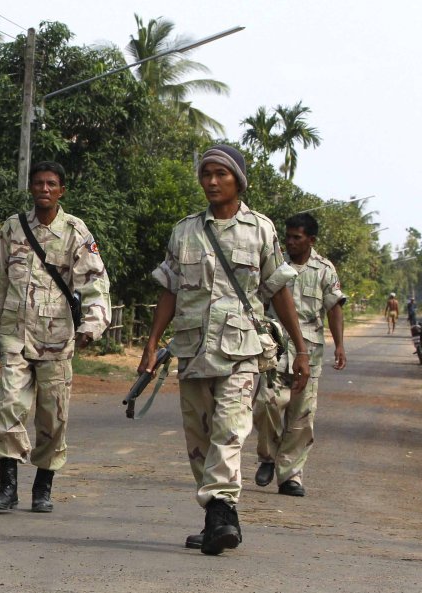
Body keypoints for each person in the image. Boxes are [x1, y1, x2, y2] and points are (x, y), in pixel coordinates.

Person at [137, 145, 310, 556]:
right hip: (192, 349)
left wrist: (300, 349)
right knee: (199, 437)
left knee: (230, 430)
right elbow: (170, 290)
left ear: (238, 180)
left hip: (241, 351)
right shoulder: (184, 231)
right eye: (206, 174)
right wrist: (150, 343)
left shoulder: (261, 229)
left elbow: (278, 290)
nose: (212, 182)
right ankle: (216, 515)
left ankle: (222, 514)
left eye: (221, 174)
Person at [0, 161, 111, 514]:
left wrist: (91, 326)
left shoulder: (76, 233)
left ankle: (43, 486)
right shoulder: (13, 228)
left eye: (51, 184)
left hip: (56, 339)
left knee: (53, 416)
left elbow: (95, 284)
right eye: (38, 183)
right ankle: (7, 486)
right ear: (31, 188)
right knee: (9, 406)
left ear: (61, 190)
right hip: (15, 335)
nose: (44, 189)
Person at [252, 212, 347, 498]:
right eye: (288, 236)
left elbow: (334, 308)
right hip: (275, 344)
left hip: (310, 349)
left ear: (311, 240)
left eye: (297, 237)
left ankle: (291, 475)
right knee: (266, 402)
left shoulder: (324, 269)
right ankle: (268, 456)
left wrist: (340, 345)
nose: (291, 242)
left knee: (301, 415)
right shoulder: (275, 265)